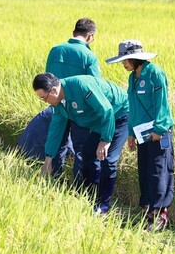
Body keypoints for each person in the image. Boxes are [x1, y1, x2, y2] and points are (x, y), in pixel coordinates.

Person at [18, 18, 101, 183]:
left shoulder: (55, 50)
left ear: (74, 33)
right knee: (81, 149)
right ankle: (80, 188)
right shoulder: (89, 56)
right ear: (90, 36)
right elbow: (95, 86)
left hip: (58, 104)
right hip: (81, 110)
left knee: (57, 142)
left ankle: (54, 181)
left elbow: (47, 78)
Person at [33, 73, 129, 215]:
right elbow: (56, 129)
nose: (45, 102)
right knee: (88, 153)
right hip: (101, 121)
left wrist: (105, 140)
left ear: (53, 90)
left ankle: (103, 205)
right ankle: (90, 197)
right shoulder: (59, 103)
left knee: (107, 159)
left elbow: (106, 110)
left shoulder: (81, 86)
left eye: (44, 98)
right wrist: (48, 159)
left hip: (119, 114)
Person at [106, 40, 175, 230]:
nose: (123, 64)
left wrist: (159, 130)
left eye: (126, 60)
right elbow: (134, 108)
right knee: (145, 170)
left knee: (159, 171)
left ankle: (160, 215)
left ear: (136, 58)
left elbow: (163, 104)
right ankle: (148, 212)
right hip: (141, 133)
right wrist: (130, 133)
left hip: (159, 133)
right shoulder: (132, 78)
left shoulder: (155, 74)